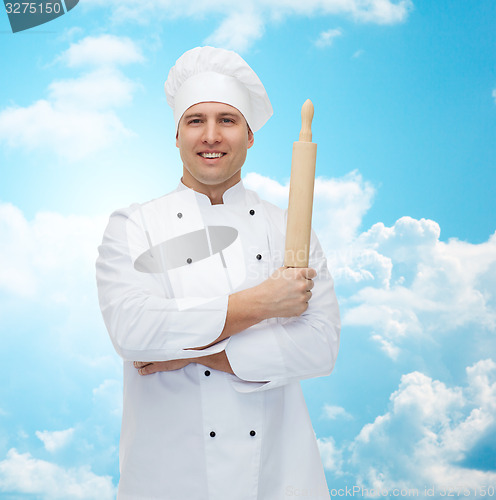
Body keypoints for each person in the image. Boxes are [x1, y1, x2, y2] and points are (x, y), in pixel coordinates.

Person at [96, 46, 340, 500]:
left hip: (279, 477)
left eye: (227, 120)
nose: (211, 135)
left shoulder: (289, 228)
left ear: (249, 136)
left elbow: (321, 346)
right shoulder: (133, 226)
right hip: (168, 479)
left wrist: (190, 353)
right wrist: (263, 303)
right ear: (176, 135)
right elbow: (134, 331)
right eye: (196, 120)